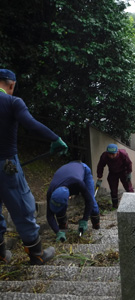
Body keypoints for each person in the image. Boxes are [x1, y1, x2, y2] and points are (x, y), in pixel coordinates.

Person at [0, 69, 68, 265]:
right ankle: (37, 255)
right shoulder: (13, 102)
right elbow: (30, 123)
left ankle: (2, 254)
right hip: (7, 165)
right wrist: (55, 139)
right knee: (22, 206)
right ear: (11, 85)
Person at [47, 161, 100, 242]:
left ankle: (96, 224)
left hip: (82, 169)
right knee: (59, 207)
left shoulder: (77, 182)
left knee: (92, 200)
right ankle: (62, 226)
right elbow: (49, 215)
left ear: (68, 198)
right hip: (66, 171)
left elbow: (89, 201)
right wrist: (57, 232)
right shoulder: (51, 191)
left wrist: (85, 220)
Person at [96, 144, 134, 209]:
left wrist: (129, 173)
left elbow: (129, 163)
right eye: (109, 154)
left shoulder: (123, 154)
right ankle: (115, 205)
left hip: (123, 171)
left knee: (128, 188)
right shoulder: (104, 156)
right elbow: (100, 166)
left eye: (113, 154)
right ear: (107, 153)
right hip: (112, 172)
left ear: (117, 152)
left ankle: (133, 202)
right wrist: (99, 177)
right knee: (113, 190)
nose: (111, 156)